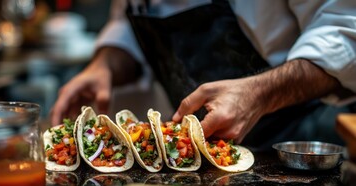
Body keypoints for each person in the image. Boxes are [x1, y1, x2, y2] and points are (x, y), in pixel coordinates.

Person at [51, 0, 356, 151]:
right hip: (197, 163)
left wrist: (260, 93)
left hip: (300, 146)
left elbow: (345, 28)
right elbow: (128, 20)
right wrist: (105, 64)